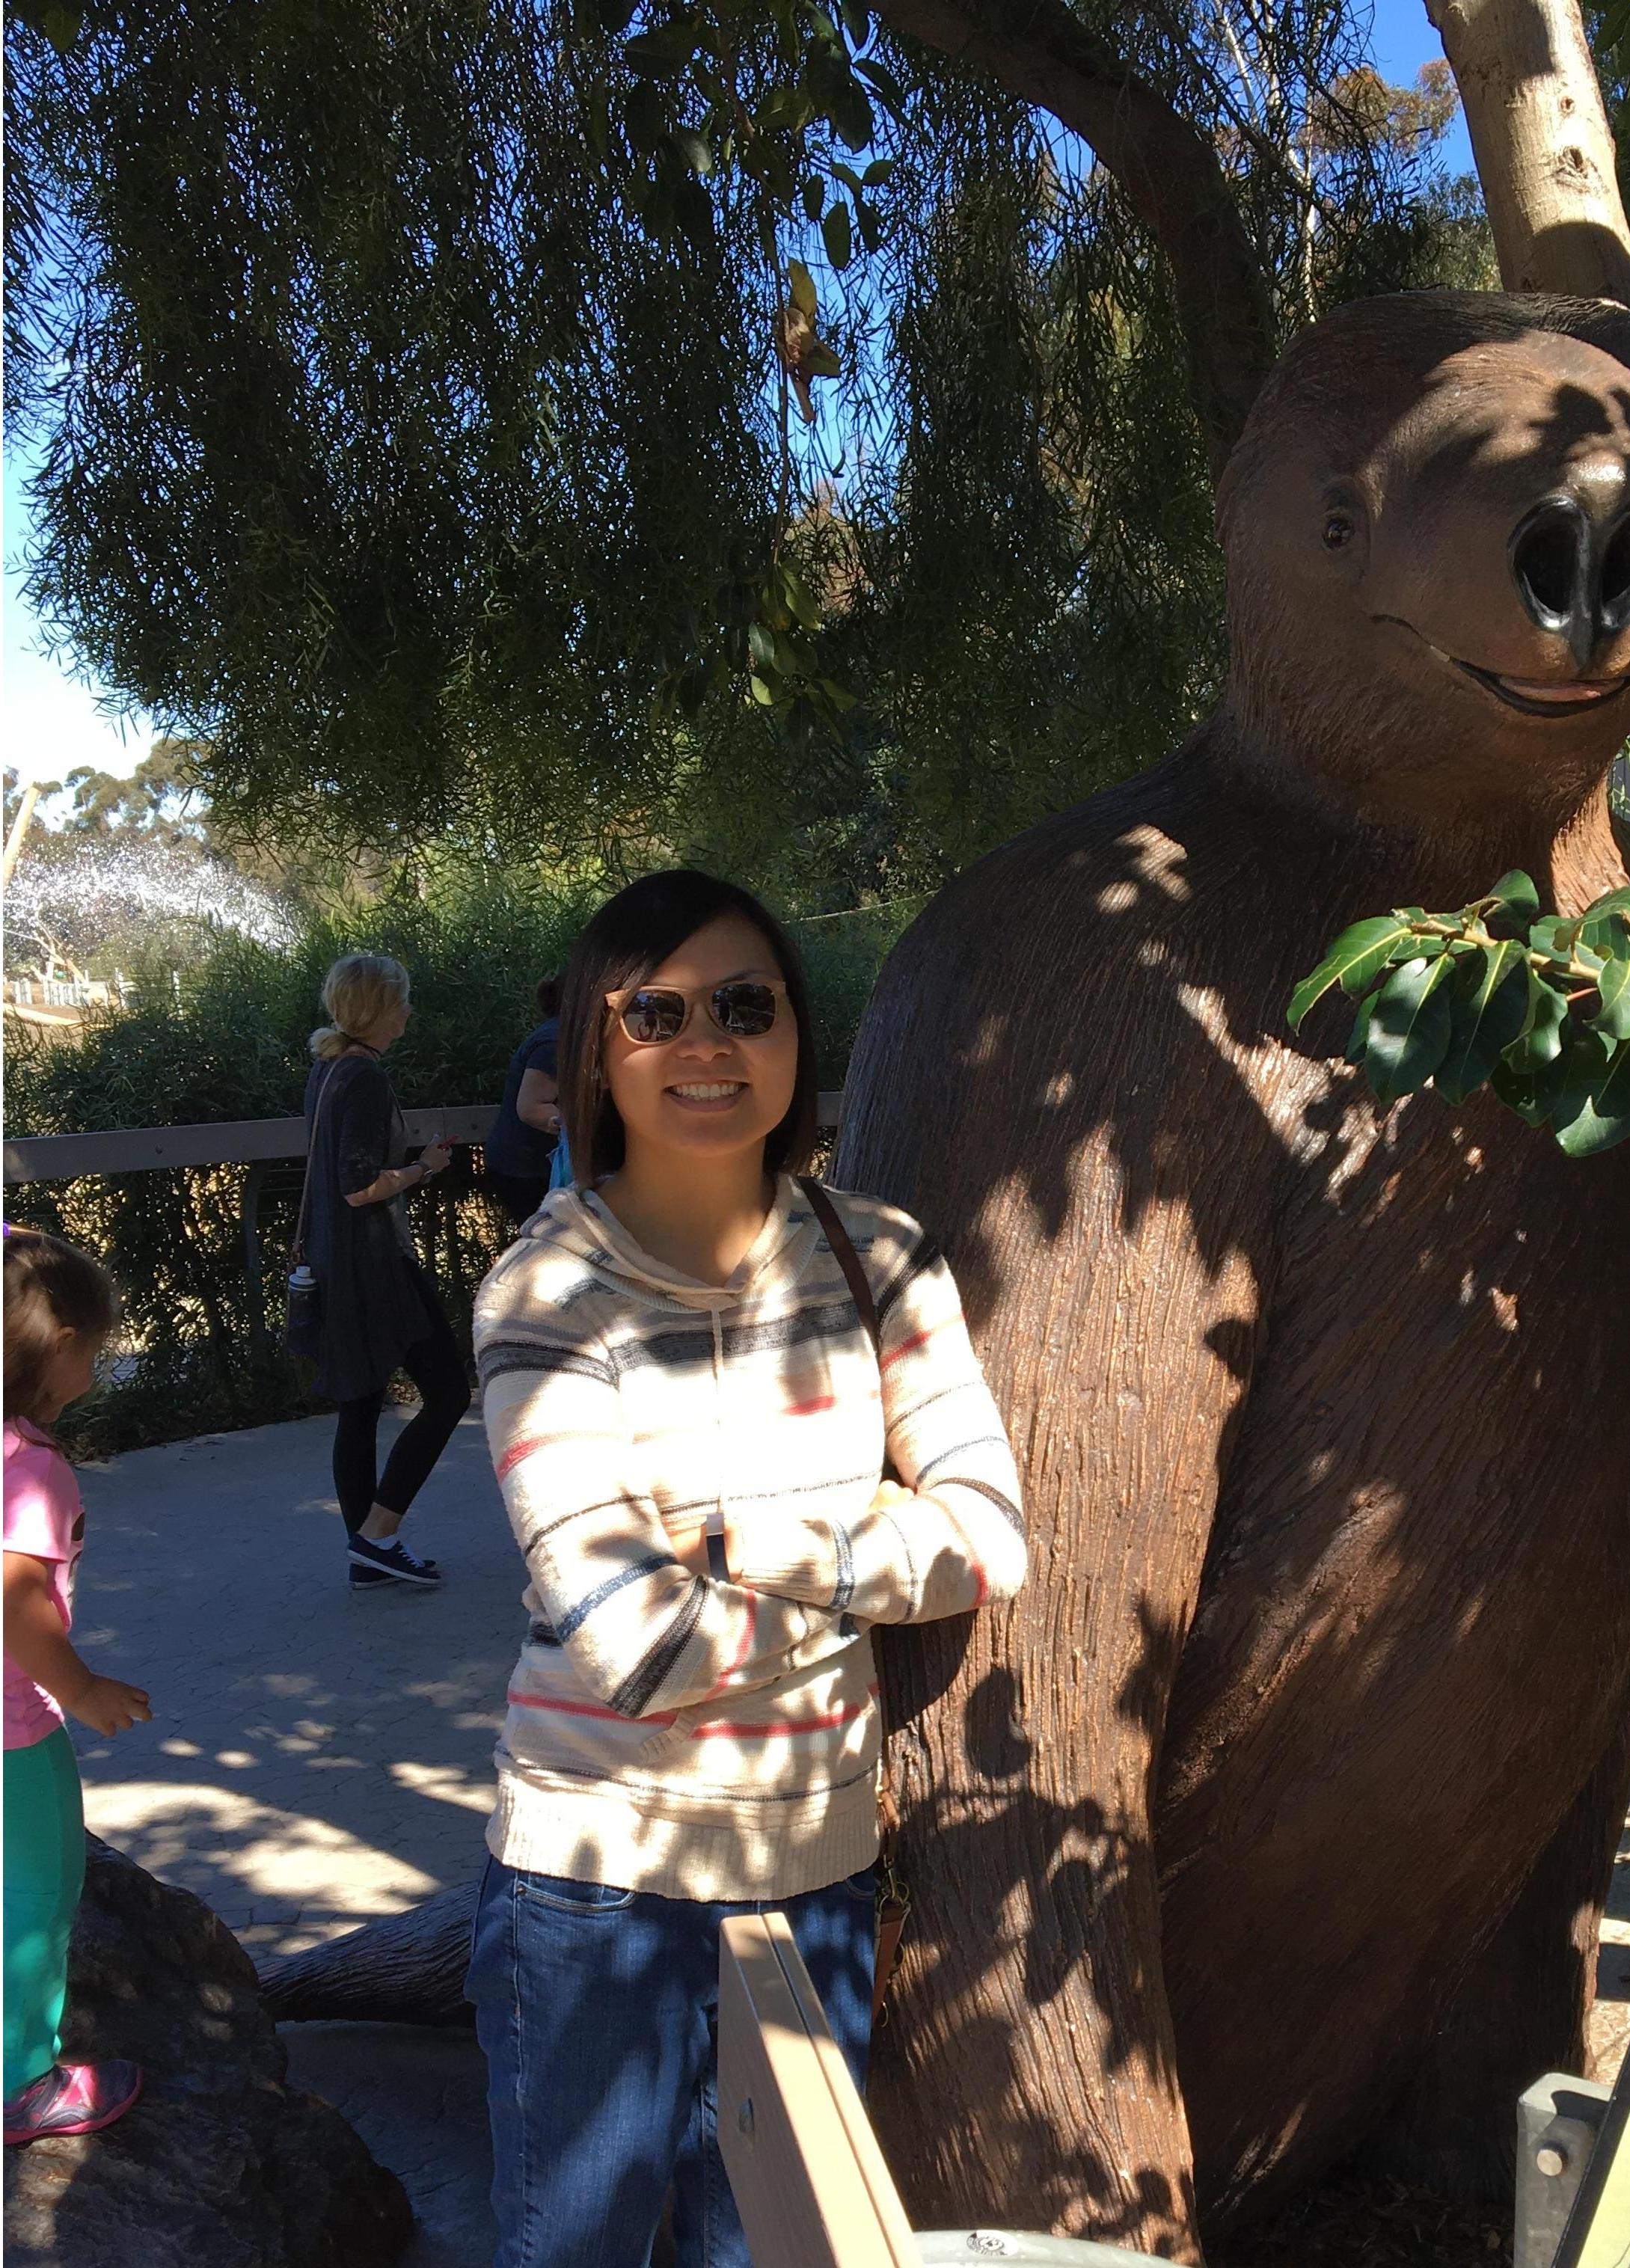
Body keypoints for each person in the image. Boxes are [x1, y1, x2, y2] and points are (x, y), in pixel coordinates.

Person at [470, 868, 1026, 2268]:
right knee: (577, 2250)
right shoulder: (545, 1290)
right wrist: (874, 1548)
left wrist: (742, 1544)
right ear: (596, 1051)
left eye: (742, 1004)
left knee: (770, 2251)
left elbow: (989, 1539)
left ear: (793, 1031)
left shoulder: (878, 1256)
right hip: (595, 1873)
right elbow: (640, 1650)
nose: (705, 1042)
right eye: (653, 1013)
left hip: (813, 1865)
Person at [3, 1226, 147, 2145]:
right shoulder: (31, 1467)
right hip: (13, 1730)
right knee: (40, 1893)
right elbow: (15, 1600)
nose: (94, 1367)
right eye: (94, 1349)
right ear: (59, 1347)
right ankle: (22, 2081)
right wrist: (83, 1689)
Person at [303, 953, 472, 1592]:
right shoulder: (365, 1077)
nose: (408, 1012)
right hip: (375, 1266)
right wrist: (424, 1167)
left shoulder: (327, 1069)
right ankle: (378, 1535)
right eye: (401, 1000)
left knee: (360, 1404)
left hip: (336, 1262)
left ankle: (367, 1554)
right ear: (378, 1008)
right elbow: (358, 1186)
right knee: (449, 1393)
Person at [484, 973, 564, 1228]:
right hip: (527, 1170)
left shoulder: (559, 1033)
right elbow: (531, 1108)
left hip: (526, 1166)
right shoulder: (556, 1040)